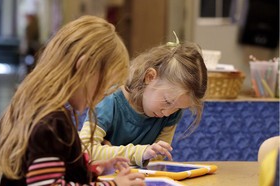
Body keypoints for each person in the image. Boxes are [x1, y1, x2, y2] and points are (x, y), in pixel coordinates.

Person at [0, 15, 145, 186]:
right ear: (84, 68)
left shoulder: (39, 110)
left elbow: (49, 171)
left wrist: (90, 169)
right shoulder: (52, 123)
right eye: (103, 86)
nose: (101, 96)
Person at [80, 35, 208, 167]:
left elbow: (156, 158)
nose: (167, 113)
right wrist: (141, 152)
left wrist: (111, 152)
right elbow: (84, 150)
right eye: (167, 101)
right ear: (150, 77)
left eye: (179, 108)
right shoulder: (109, 101)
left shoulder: (171, 112)